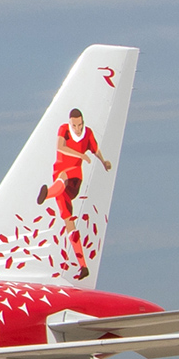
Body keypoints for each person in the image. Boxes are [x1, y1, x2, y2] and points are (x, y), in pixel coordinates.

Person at [36, 108, 113, 280]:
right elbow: (60, 147)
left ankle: (47, 194)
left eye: (80, 125)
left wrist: (104, 162)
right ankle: (83, 266)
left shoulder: (87, 134)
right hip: (59, 180)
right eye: (75, 125)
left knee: (63, 177)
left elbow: (95, 149)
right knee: (69, 224)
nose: (77, 129)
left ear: (83, 122)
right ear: (70, 123)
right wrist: (81, 154)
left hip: (73, 177)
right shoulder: (64, 129)